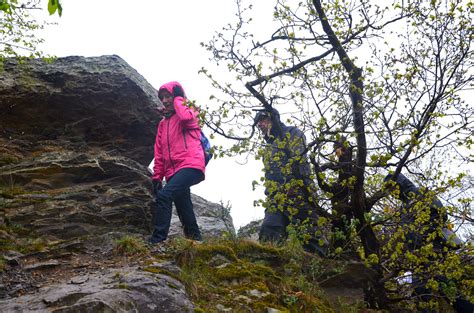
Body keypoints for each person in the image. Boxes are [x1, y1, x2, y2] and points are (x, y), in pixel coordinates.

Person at [384, 173, 472, 313]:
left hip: (433, 248)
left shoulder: (421, 193)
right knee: (420, 288)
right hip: (417, 253)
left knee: (443, 284)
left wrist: (424, 235)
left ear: (399, 184)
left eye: (392, 187)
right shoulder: (403, 206)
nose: (391, 192)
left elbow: (440, 214)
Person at [254, 108, 326, 256]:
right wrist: (271, 193)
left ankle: (323, 272)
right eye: (257, 122)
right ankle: (270, 273)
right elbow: (269, 176)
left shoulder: (293, 133)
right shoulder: (268, 147)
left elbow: (299, 162)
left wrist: (296, 188)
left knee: (311, 237)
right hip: (276, 197)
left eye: (262, 120)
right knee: (269, 230)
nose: (259, 125)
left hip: (299, 193)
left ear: (273, 118)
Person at [148, 81, 205, 244]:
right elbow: (159, 152)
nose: (165, 101)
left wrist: (180, 99)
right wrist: (157, 176)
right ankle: (196, 241)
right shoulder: (163, 124)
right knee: (184, 208)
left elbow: (186, 118)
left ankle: (157, 240)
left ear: (177, 97)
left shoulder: (190, 111)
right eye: (162, 98)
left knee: (164, 196)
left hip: (190, 165)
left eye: (168, 96)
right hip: (172, 171)